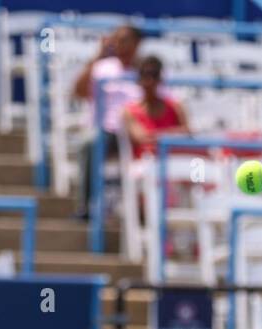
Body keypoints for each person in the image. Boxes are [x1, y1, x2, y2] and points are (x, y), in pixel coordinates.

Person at [71, 25, 143, 219]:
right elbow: (78, 91)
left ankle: (146, 212)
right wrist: (99, 55)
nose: (120, 44)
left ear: (137, 44)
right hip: (106, 130)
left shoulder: (147, 72)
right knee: (89, 143)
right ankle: (86, 206)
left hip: (137, 132)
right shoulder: (102, 67)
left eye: (125, 40)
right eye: (117, 40)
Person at [121, 56, 190, 161]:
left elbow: (187, 133)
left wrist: (154, 135)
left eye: (154, 75)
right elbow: (141, 138)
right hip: (145, 166)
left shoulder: (176, 106)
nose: (150, 80)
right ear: (139, 78)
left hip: (174, 162)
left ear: (160, 78)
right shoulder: (129, 111)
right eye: (145, 74)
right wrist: (174, 134)